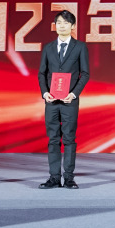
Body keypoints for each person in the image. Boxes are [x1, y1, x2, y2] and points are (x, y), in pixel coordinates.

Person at [38, 10, 90, 189]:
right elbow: (42, 73)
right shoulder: (48, 48)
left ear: (72, 26)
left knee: (69, 139)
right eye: (59, 22)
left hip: (69, 101)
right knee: (53, 139)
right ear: (55, 26)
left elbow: (85, 73)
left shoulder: (80, 47)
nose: (61, 26)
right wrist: (45, 93)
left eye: (66, 23)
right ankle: (54, 177)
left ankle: (68, 178)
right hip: (51, 101)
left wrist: (74, 94)